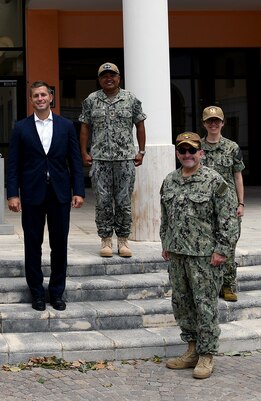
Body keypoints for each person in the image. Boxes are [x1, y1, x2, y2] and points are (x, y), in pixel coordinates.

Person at [161, 131, 236, 379]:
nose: (187, 155)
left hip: (205, 256)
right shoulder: (170, 180)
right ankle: (191, 350)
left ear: (201, 153)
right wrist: (165, 242)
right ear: (177, 153)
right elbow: (165, 216)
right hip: (177, 254)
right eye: (182, 150)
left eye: (192, 150)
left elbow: (227, 219)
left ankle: (207, 355)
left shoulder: (214, 181)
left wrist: (222, 250)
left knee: (205, 306)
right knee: (182, 304)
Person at [7, 80, 85, 312]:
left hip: (60, 194)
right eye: (35, 96)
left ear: (51, 97)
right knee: (33, 245)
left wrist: (78, 190)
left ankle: (57, 292)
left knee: (59, 244)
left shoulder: (66, 125)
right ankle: (37, 293)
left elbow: (75, 161)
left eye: (43, 95)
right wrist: (13, 194)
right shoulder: (21, 128)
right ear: (31, 101)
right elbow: (14, 164)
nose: (40, 99)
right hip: (32, 194)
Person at [79, 62, 146, 258]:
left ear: (119, 78)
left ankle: (123, 240)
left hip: (125, 159)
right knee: (103, 202)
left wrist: (141, 151)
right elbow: (84, 127)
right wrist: (84, 152)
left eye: (112, 75)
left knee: (124, 202)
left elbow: (140, 125)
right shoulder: (91, 100)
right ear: (99, 80)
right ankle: (106, 240)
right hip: (100, 159)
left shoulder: (130, 99)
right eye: (104, 76)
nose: (109, 78)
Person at [200, 105, 245, 302]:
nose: (213, 124)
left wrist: (241, 203)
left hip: (228, 207)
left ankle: (227, 285)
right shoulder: (197, 148)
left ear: (223, 123)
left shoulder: (232, 147)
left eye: (217, 120)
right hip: (205, 205)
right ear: (204, 124)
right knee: (206, 245)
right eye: (210, 121)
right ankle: (210, 284)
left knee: (228, 246)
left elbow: (237, 176)